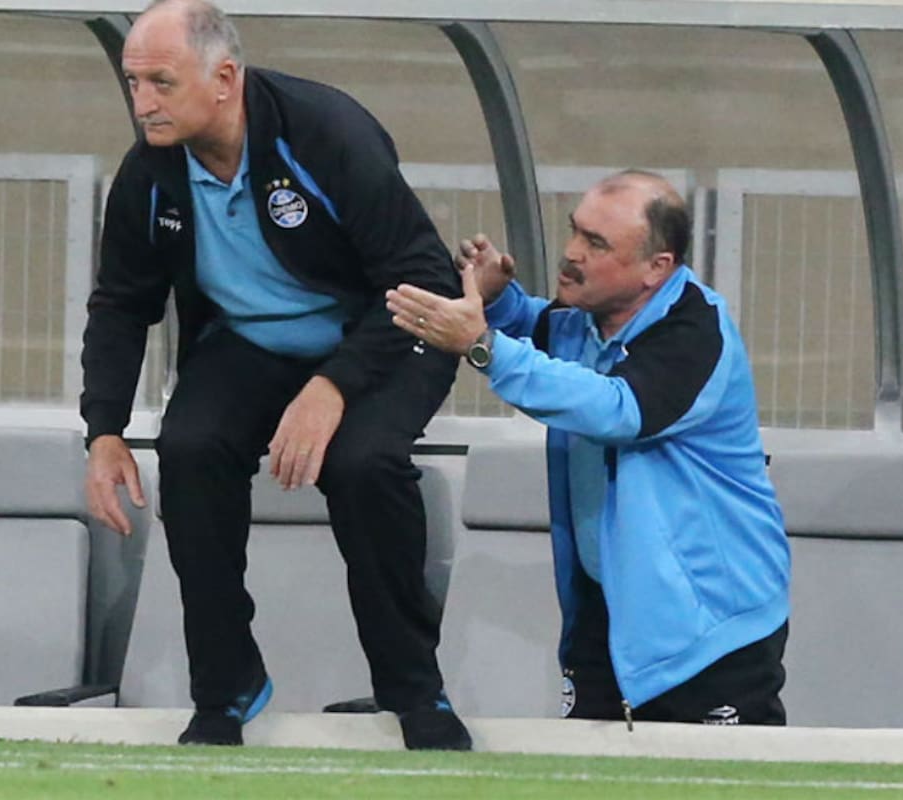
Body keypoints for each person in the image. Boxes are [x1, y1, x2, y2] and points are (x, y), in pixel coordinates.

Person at [81, 0, 471, 750]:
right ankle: (225, 688)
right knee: (190, 449)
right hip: (251, 342)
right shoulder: (148, 172)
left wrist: (332, 389)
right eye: (133, 84)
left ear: (224, 79)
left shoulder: (328, 134)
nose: (143, 103)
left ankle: (415, 690)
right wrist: (103, 430)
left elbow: (424, 276)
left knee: (364, 464)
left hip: (391, 331)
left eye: (161, 83)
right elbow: (122, 305)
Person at [386, 170, 790, 726]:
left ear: (656, 268)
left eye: (596, 243)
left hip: (710, 629)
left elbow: (618, 409)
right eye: (575, 230)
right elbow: (543, 329)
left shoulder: (695, 330)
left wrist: (482, 346)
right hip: (608, 615)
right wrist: (496, 302)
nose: (572, 253)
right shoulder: (585, 321)